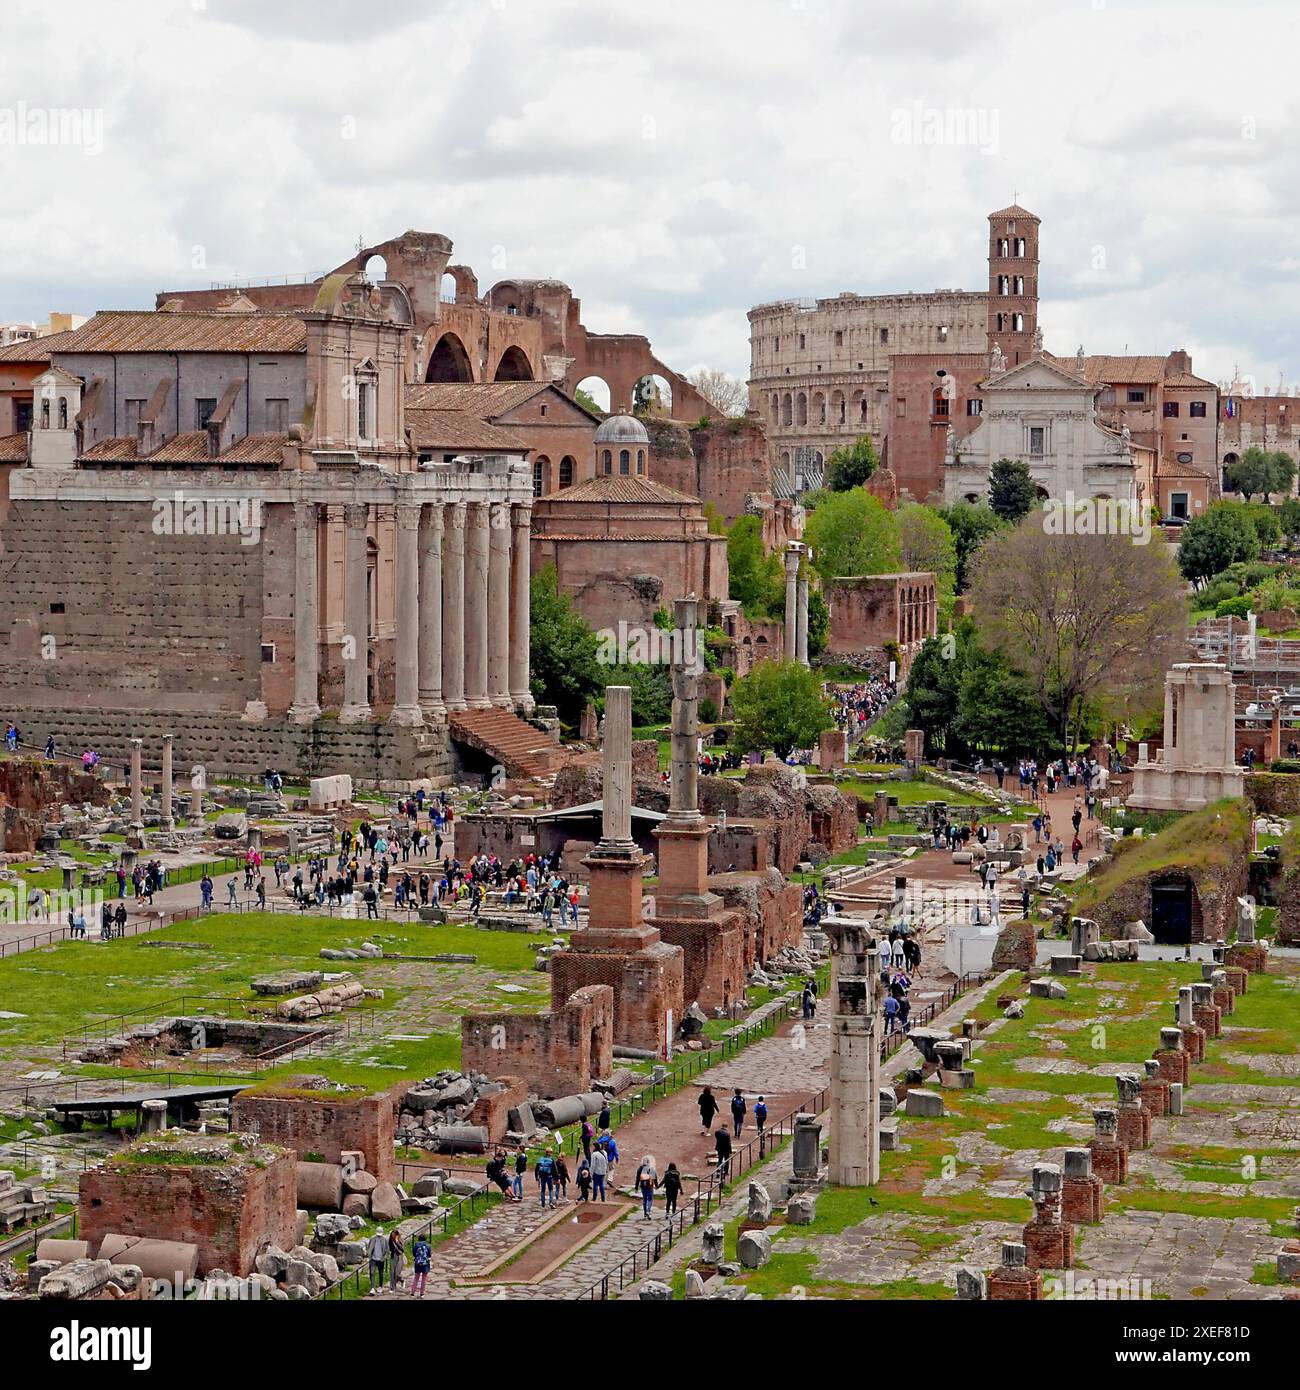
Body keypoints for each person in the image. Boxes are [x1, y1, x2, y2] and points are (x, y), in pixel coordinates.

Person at [635, 1155, 657, 1220]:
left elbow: (637, 1179)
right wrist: (656, 1185)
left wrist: (636, 1187)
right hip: (650, 1186)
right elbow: (654, 1178)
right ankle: (648, 1211)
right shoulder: (651, 1168)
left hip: (643, 1186)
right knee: (650, 1199)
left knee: (645, 1199)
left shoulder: (640, 1169)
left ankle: (645, 1213)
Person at [366, 1229, 388, 1295]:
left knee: (381, 1273)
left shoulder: (385, 1239)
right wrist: (369, 1255)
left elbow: (387, 1250)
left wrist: (384, 1257)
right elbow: (369, 1247)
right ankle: (372, 1288)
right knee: (372, 1273)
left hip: (381, 1259)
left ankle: (380, 1286)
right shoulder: (372, 1238)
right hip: (373, 1259)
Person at [409, 1234, 431, 1298]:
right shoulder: (427, 1246)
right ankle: (422, 1294)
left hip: (417, 1263)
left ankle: (412, 1293)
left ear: (419, 1239)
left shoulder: (416, 1245)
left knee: (416, 1278)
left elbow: (414, 1254)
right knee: (424, 1279)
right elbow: (429, 1255)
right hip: (425, 1264)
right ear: (425, 1239)